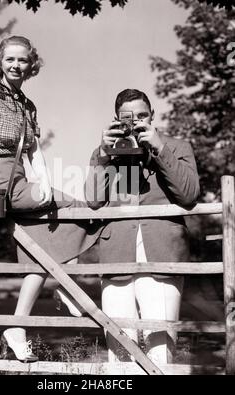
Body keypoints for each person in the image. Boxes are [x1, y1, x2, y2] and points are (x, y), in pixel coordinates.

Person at [0, 35, 99, 362]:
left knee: (40, 256)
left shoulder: (26, 105)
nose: (15, 65)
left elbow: (34, 150)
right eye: (9, 59)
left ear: (30, 64)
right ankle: (67, 286)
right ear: (0, 60)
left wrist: (44, 183)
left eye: (22, 60)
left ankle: (17, 326)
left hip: (23, 179)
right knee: (83, 209)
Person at [84, 88, 200, 365]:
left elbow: (189, 194)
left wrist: (159, 148)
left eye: (142, 116)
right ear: (116, 119)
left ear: (152, 116)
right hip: (117, 255)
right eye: (128, 117)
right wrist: (103, 153)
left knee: (160, 348)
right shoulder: (106, 151)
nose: (135, 122)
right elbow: (93, 199)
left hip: (162, 254)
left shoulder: (177, 146)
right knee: (119, 348)